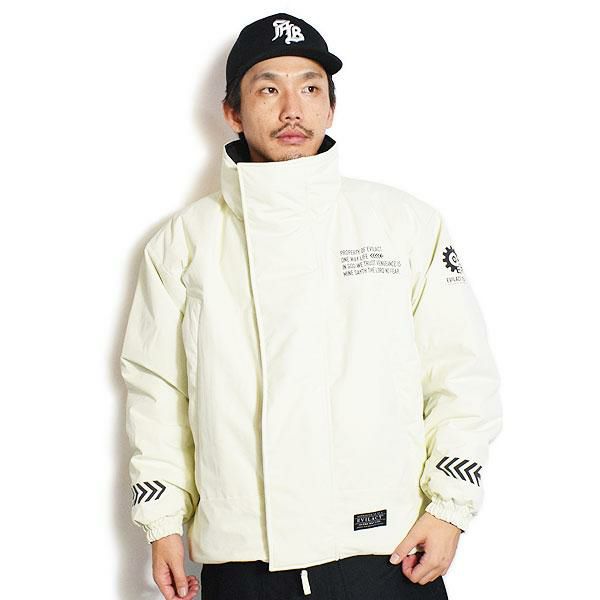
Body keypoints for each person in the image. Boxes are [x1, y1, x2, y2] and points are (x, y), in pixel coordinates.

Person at [120, 12, 503, 600]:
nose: (291, 109)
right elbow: (157, 393)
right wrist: (162, 521)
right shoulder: (183, 243)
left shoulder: (404, 225)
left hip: (388, 557)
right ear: (232, 111)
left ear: (331, 107)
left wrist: (450, 508)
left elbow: (461, 375)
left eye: (310, 88)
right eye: (268, 89)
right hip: (244, 565)